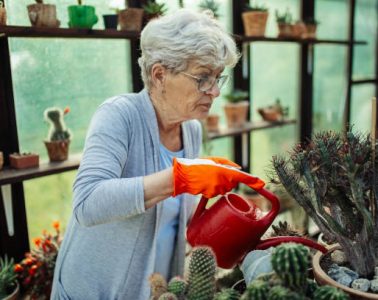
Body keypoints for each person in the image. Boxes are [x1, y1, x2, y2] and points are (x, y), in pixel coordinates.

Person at [51, 9, 264, 300]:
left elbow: (175, 222)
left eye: (217, 78)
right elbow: (87, 203)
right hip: (98, 291)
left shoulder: (191, 130)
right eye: (203, 78)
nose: (214, 91)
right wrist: (180, 178)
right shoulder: (119, 115)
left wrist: (234, 226)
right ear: (160, 74)